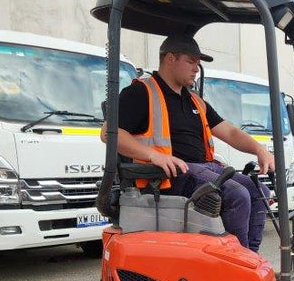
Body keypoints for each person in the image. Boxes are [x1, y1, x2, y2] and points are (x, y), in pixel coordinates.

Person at [106, 34, 275, 251]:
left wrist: (259, 150)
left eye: (198, 63)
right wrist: (153, 155)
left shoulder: (194, 99)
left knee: (258, 190)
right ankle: (239, 265)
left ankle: (251, 257)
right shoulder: (141, 92)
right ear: (170, 59)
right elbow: (109, 134)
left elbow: (230, 132)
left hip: (202, 170)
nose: (196, 68)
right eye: (191, 61)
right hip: (167, 177)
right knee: (237, 195)